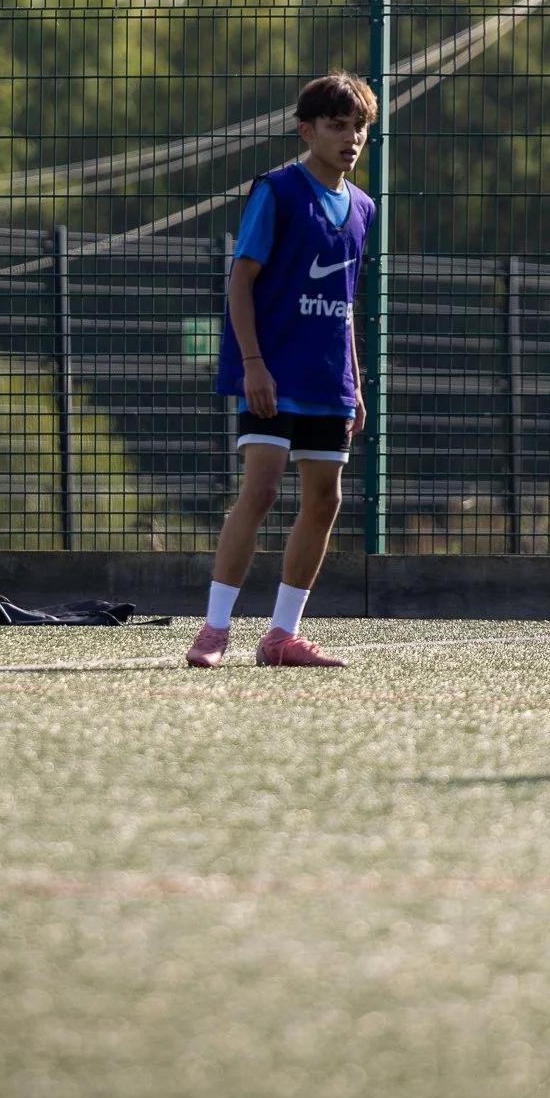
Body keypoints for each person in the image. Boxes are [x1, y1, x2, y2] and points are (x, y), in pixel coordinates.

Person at [186, 72, 376, 668]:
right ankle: (214, 630)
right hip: (271, 373)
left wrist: (357, 384)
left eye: (359, 128)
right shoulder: (276, 191)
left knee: (325, 499)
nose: (350, 138)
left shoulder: (364, 208)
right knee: (262, 490)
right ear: (307, 130)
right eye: (337, 126)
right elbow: (240, 283)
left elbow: (344, 305)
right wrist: (253, 366)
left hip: (328, 381)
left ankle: (282, 635)